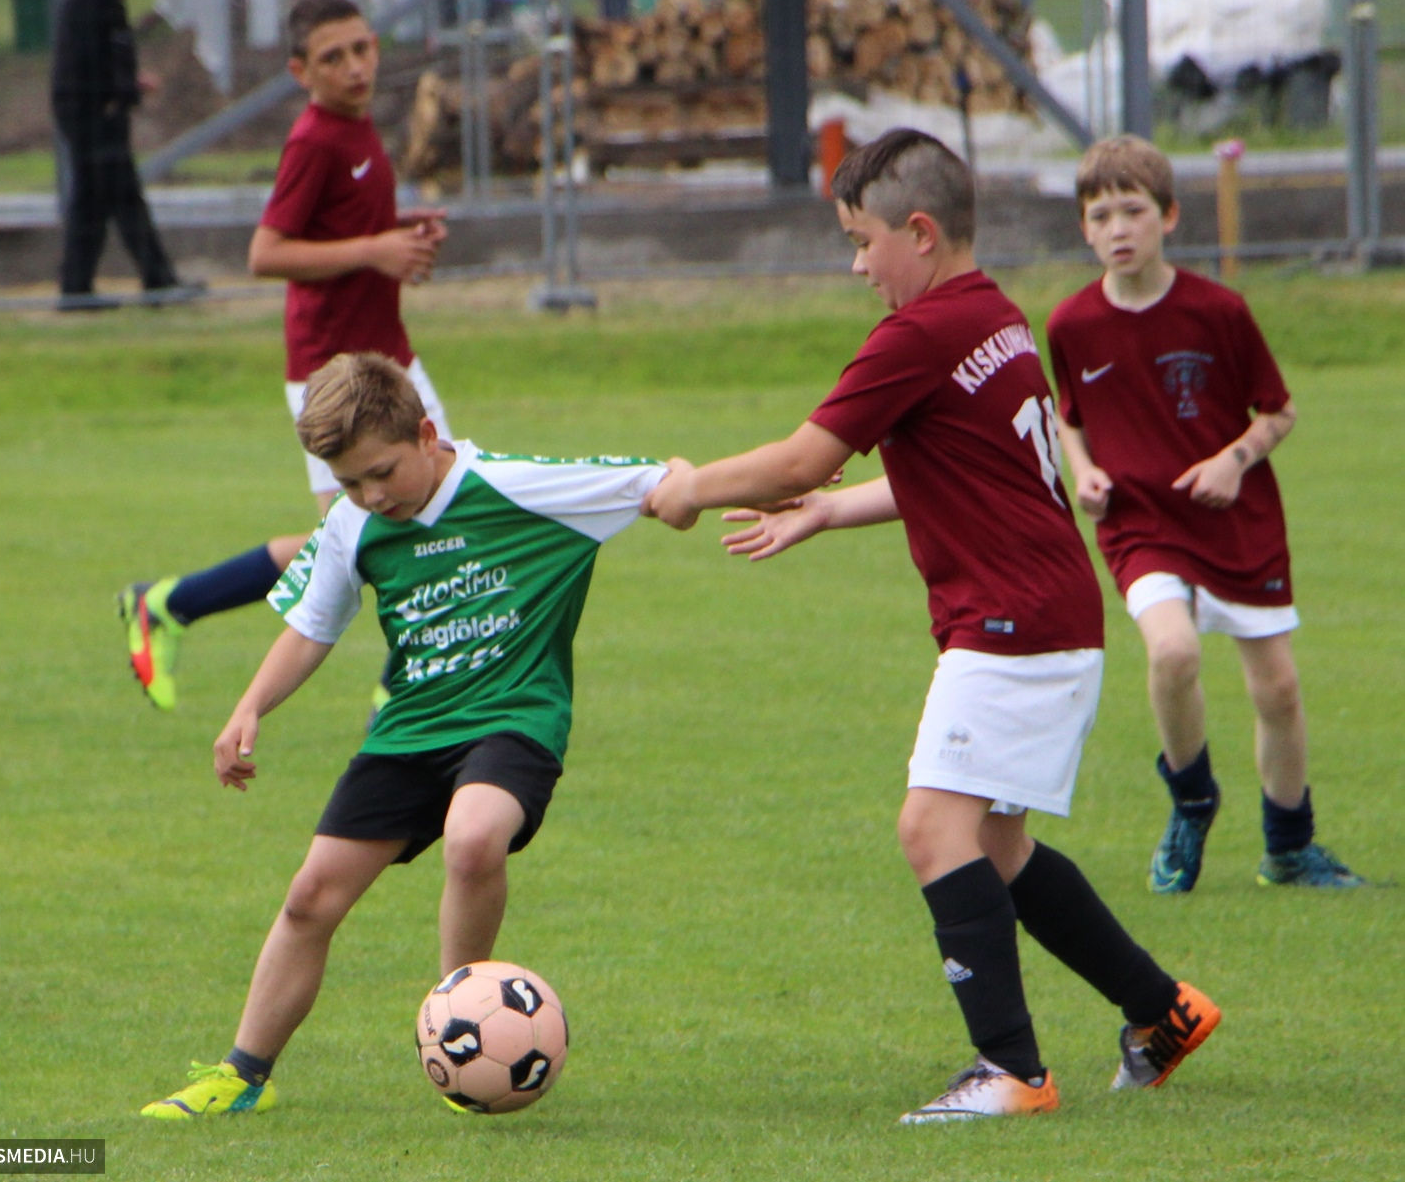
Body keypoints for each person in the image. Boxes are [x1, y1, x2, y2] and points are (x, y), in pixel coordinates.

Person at [645, 129, 1219, 1122]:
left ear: (918, 232)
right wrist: (832, 511)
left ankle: (1012, 1069)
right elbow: (961, 470)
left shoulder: (916, 335)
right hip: (1048, 612)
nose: (857, 266)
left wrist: (691, 486)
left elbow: (797, 458)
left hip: (1008, 622)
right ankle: (1162, 1009)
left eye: (862, 242)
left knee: (931, 828)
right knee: (994, 846)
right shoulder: (992, 313)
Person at [141, 351, 667, 1118]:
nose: (371, 495)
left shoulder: (511, 484)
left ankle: (463, 1031)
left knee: (474, 838)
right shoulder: (352, 522)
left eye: (381, 473)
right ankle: (243, 1074)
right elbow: (311, 627)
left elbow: (667, 482)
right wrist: (250, 705)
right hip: (410, 728)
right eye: (350, 482)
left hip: (512, 714)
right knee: (310, 897)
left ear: (426, 434)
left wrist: (783, 486)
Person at [1046, 134, 1365, 893]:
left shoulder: (1219, 311)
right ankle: (1192, 801)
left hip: (1235, 520)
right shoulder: (1070, 325)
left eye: (1133, 211)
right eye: (1101, 216)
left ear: (1169, 216)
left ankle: (1289, 848)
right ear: (1083, 229)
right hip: (1140, 523)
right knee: (1173, 652)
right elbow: (1069, 417)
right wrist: (1085, 474)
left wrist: (1233, 459)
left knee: (1277, 688)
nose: (1119, 229)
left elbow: (1279, 411)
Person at [117, 0, 450, 711]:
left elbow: (345, 227)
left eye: (361, 48)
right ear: (301, 71)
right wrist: (375, 249)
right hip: (334, 373)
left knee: (429, 507)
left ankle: (172, 605)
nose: (354, 67)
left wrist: (398, 234)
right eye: (333, 58)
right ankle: (402, 691)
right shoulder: (315, 140)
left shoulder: (358, 126)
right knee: (373, 530)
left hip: (388, 358)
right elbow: (265, 252)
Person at [51, 0, 195, 307]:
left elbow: (103, 56)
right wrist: (122, 90)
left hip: (97, 114)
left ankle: (76, 288)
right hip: (94, 116)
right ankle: (157, 281)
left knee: (93, 203)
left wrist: (129, 82)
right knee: (124, 199)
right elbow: (89, 63)